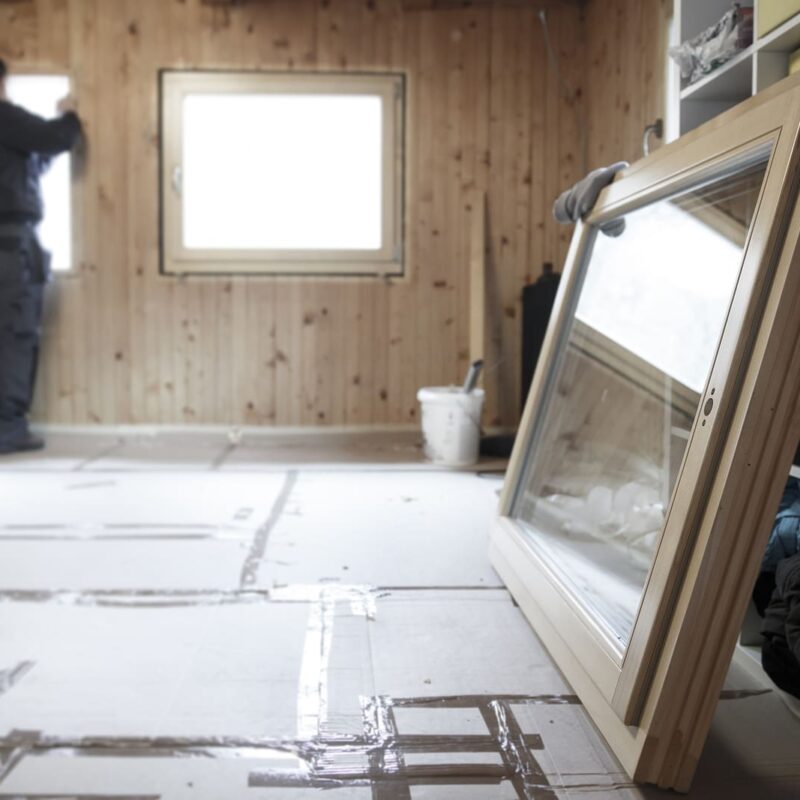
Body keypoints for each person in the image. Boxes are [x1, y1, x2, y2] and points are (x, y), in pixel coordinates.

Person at [0, 58, 82, 454]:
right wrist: (69, 115)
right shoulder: (4, 118)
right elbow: (56, 138)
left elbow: (30, 162)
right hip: (8, 246)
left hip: (12, 241)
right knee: (14, 335)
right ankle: (7, 428)